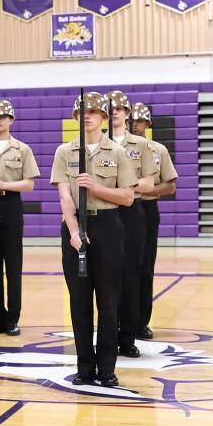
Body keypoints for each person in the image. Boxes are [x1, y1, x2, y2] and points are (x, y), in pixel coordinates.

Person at [50, 92, 136, 386]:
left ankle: (107, 368)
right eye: (81, 112)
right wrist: (73, 231)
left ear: (103, 117)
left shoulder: (117, 153)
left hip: (108, 227)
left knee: (109, 301)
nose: (87, 116)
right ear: (75, 118)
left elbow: (127, 197)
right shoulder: (65, 152)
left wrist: (97, 189)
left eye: (93, 112)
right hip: (75, 229)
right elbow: (64, 195)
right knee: (79, 301)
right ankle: (84, 367)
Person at [105, 90, 158, 358]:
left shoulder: (141, 145)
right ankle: (106, 334)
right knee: (106, 277)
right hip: (106, 212)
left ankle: (127, 336)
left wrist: (120, 186)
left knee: (131, 275)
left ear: (127, 114)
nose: (114, 112)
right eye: (110, 108)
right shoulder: (96, 143)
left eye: (119, 108)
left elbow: (150, 183)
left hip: (132, 211)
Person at [0, 99, 40, 336]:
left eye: (3, 116)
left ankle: (13, 318)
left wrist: (4, 184)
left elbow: (29, 184)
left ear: (11, 120)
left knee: (13, 265)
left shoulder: (22, 149)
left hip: (11, 204)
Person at [131, 102, 178, 340]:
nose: (134, 125)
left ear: (147, 124)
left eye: (138, 121)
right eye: (131, 120)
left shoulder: (158, 150)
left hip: (147, 209)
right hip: (121, 208)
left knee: (145, 267)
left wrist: (148, 190)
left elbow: (170, 186)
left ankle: (141, 321)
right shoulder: (116, 148)